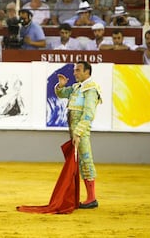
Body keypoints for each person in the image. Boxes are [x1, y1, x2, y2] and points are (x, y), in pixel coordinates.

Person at [55, 60, 102, 209]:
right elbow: (62, 93)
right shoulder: (77, 87)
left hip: (80, 131)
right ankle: (88, 197)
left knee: (86, 160)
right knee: (81, 162)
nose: (75, 73)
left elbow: (88, 113)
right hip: (74, 130)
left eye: (78, 70)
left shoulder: (91, 89)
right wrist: (61, 85)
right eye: (75, 70)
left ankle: (92, 198)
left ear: (87, 72)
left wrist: (78, 132)